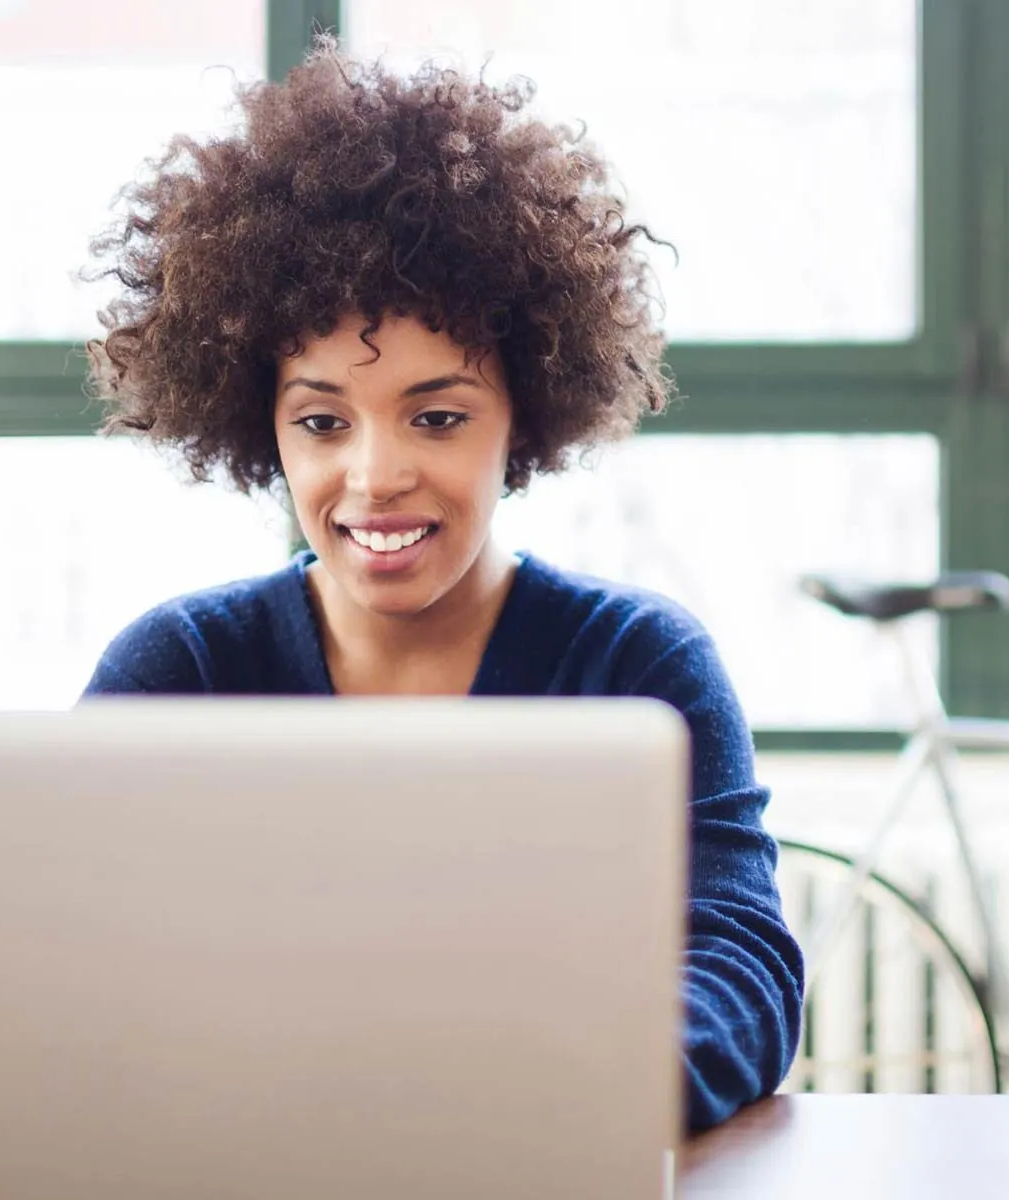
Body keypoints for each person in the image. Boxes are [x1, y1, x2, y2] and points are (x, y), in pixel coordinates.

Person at [77, 41, 802, 1132]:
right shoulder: (180, 670)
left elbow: (739, 962)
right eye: (321, 421)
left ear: (527, 421)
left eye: (439, 416)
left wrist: (580, 1089)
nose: (375, 477)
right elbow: (61, 965)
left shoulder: (641, 666)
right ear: (260, 425)